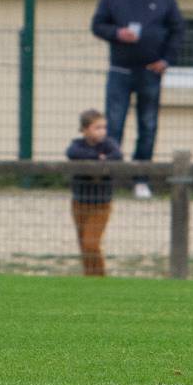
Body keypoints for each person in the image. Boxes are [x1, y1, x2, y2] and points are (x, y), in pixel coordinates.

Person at [89, 0, 181, 198]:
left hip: (150, 72)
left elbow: (177, 29)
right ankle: (108, 178)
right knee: (113, 126)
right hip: (119, 71)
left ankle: (141, 179)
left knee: (148, 126)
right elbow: (97, 25)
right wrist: (117, 33)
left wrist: (166, 60)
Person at [66, 108, 122, 276]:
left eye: (104, 127)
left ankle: (99, 277)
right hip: (80, 201)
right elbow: (72, 153)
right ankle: (89, 276)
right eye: (97, 127)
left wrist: (97, 159)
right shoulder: (77, 145)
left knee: (91, 242)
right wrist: (98, 158)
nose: (102, 131)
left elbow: (117, 155)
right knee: (83, 243)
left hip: (101, 203)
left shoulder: (109, 144)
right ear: (84, 130)